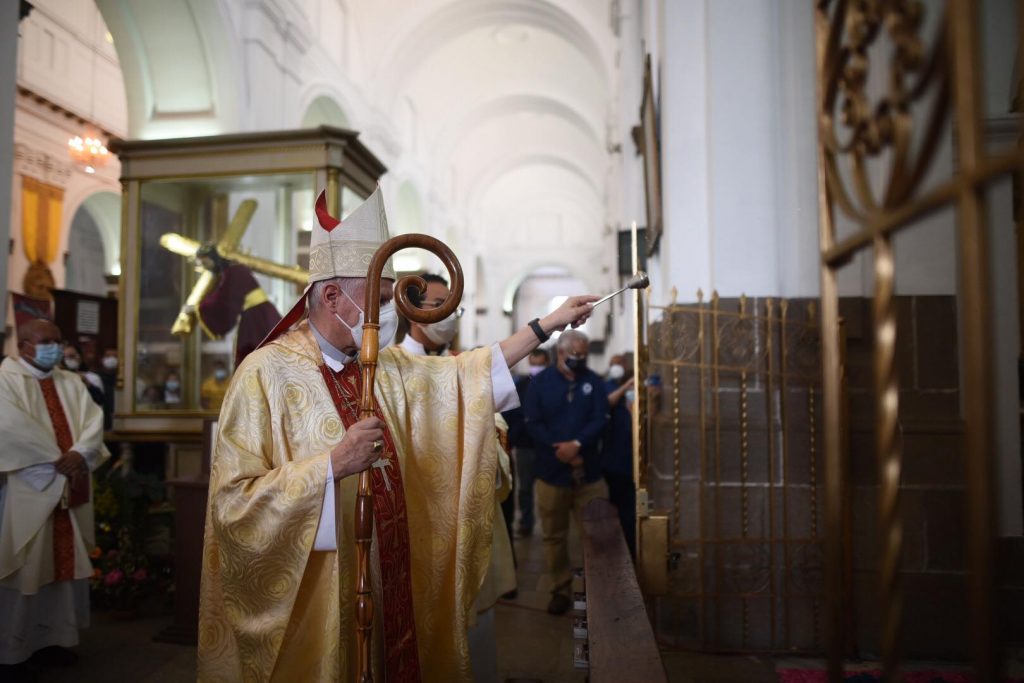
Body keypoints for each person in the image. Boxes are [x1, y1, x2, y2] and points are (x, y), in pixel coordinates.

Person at [197, 186, 597, 682]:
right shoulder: (264, 375)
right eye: (381, 299)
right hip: (319, 596)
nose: (391, 311)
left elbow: (464, 377)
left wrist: (547, 326)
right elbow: (232, 504)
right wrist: (330, 467)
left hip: (392, 575)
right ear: (330, 296)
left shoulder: (383, 367)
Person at [395, 273, 515, 681]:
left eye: (454, 306)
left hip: (473, 508)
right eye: (438, 304)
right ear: (410, 309)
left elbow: (494, 424)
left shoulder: (459, 362)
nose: (448, 314)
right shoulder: (393, 366)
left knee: (476, 629)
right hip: (424, 517)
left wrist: (489, 435)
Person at [0, 319, 110, 679]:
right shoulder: (6, 379)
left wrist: (80, 453)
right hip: (28, 488)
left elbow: (93, 421)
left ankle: (54, 641)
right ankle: (13, 650)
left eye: (57, 340)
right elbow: (9, 428)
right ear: (24, 346)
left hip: (68, 484)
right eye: (45, 341)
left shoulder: (68, 381)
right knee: (26, 566)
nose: (54, 347)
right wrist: (56, 461)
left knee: (62, 572)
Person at [524, 329, 609, 615]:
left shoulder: (593, 381)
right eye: (576, 355)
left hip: (589, 472)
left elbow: (600, 418)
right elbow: (533, 423)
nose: (581, 360)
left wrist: (577, 444)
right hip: (551, 472)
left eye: (584, 355)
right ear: (560, 353)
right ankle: (559, 589)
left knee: (597, 535)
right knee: (554, 536)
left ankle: (597, 590)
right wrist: (557, 448)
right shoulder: (541, 383)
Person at [192, 244, 283, 367]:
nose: (205, 267)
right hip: (260, 316)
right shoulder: (233, 271)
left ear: (214, 258)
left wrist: (200, 307)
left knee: (254, 358)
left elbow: (224, 300)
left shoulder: (234, 272)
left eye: (206, 263)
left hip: (256, 319)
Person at [502, 348, 550, 538]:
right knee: (525, 488)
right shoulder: (521, 385)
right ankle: (526, 523)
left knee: (549, 487)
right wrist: (513, 437)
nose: (536, 367)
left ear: (547, 362)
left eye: (540, 363)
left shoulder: (551, 383)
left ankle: (549, 524)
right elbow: (511, 413)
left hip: (546, 445)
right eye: (534, 363)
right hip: (525, 445)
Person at [602, 353, 637, 559]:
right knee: (615, 508)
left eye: (619, 364)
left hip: (634, 459)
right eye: (612, 364)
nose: (616, 367)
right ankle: (617, 551)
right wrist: (625, 388)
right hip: (614, 458)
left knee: (631, 511)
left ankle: (632, 551)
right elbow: (605, 404)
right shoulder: (608, 385)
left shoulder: (640, 382)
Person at [398, 272, 462, 355]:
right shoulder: (389, 361)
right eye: (439, 304)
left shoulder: (461, 362)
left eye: (452, 307)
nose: (450, 314)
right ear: (411, 312)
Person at [61, 343, 104, 409]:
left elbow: (99, 401)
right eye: (65, 357)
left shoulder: (92, 378)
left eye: (71, 356)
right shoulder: (60, 378)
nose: (68, 360)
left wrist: (87, 383)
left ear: (80, 357)